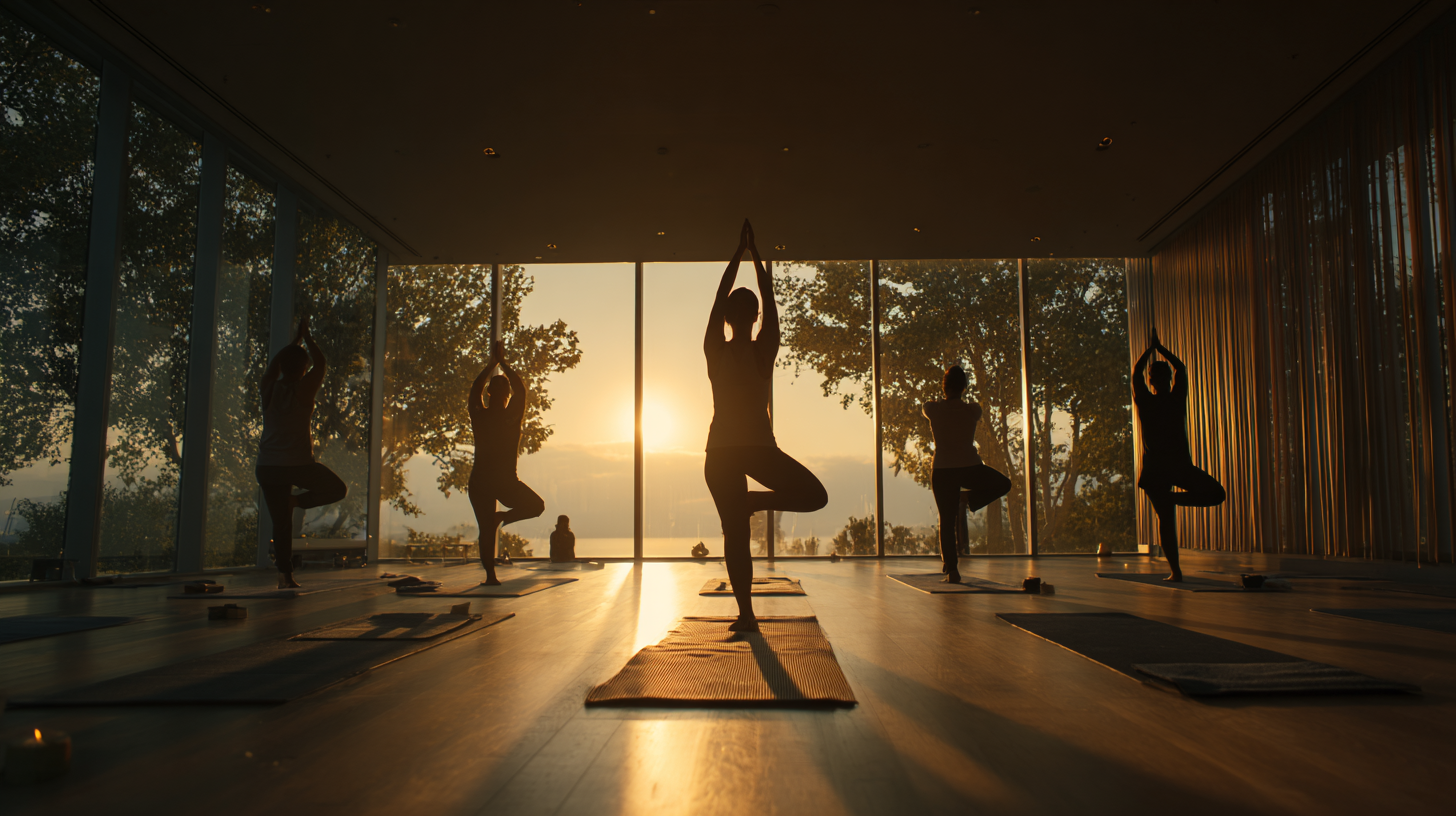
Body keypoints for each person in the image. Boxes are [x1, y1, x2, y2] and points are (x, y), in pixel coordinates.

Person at [703, 219, 828, 632]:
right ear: (754, 317)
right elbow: (768, 297)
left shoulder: (716, 350)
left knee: (735, 534)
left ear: (728, 317)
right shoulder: (762, 351)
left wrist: (738, 254)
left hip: (726, 451)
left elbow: (721, 296)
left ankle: (746, 614)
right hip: (748, 449)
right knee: (812, 497)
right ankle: (746, 614)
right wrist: (754, 256)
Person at [255, 315, 347, 589]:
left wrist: (294, 341)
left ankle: (285, 576)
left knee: (281, 525)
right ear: (304, 368)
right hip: (297, 464)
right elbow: (321, 364)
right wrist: (307, 337)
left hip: (268, 466)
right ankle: (296, 502)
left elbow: (273, 367)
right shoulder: (305, 390)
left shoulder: (268, 388)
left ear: (282, 366)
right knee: (337, 489)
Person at [1133, 329, 1226, 581]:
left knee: (1168, 520)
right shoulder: (1173, 399)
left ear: (1152, 381)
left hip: (1166, 468)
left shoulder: (1150, 399)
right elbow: (1181, 369)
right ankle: (1175, 572)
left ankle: (1171, 501)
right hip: (1169, 467)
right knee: (1210, 498)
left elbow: (1137, 373)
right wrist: (1159, 349)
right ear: (1162, 380)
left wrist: (1151, 350)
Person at [923, 365, 1011, 583]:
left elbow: (928, 407)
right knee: (1003, 484)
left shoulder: (932, 409)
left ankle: (952, 570)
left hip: (943, 470)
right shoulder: (972, 410)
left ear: (944, 387)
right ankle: (966, 498)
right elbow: (971, 409)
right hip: (970, 467)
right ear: (964, 387)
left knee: (947, 521)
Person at [468, 344, 546, 585]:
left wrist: (503, 364)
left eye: (505, 385)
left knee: (536, 506)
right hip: (481, 481)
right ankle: (490, 576)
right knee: (486, 530)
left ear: (507, 393)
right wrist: (493, 364)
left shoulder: (512, 415)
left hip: (505, 481)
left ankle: (501, 517)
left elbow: (521, 391)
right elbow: (474, 390)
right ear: (489, 392)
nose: (502, 387)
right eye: (496, 384)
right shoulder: (479, 414)